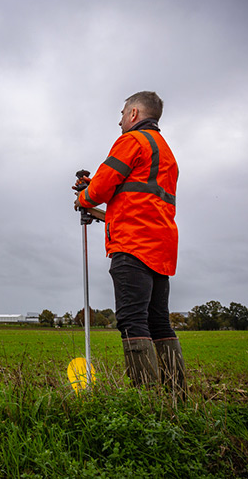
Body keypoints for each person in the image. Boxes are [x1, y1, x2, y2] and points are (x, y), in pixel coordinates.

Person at [75, 91, 185, 393]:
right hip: (160, 249)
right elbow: (132, 197)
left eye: (123, 113)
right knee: (159, 323)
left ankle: (146, 403)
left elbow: (100, 189)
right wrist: (97, 193)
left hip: (133, 246)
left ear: (134, 114)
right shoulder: (167, 154)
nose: (120, 120)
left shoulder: (132, 141)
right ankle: (176, 397)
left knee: (132, 321)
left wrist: (84, 196)